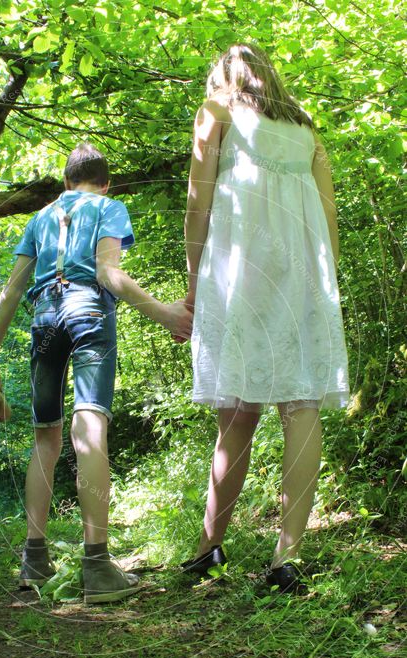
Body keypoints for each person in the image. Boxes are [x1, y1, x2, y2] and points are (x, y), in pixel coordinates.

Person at [0, 143, 192, 603]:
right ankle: (97, 566)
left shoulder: (41, 218)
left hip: (45, 319)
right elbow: (107, 273)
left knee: (45, 438)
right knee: (89, 425)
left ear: (66, 181)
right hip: (89, 313)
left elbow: (11, 291)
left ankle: (34, 560)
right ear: (105, 182)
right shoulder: (108, 207)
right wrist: (165, 314)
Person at [181, 44, 349, 592]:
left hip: (239, 270)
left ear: (222, 78)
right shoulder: (306, 129)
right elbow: (327, 214)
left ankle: (210, 548)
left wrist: (192, 278)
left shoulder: (216, 113)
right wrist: (324, 284)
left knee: (236, 410)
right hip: (302, 275)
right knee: (301, 407)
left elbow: (198, 204)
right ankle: (286, 559)